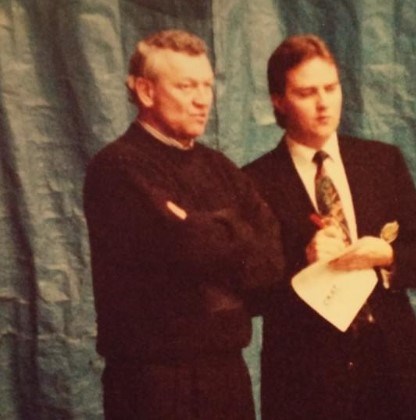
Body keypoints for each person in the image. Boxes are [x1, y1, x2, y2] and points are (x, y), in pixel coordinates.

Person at [83, 29, 282, 420]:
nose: (202, 99)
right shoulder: (117, 168)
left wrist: (209, 230)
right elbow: (189, 248)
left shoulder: (220, 168)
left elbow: (271, 262)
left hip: (227, 378)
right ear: (145, 91)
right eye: (186, 85)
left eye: (207, 85)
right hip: (152, 385)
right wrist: (234, 233)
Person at [243, 34, 416, 420]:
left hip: (390, 372)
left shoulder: (382, 162)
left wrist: (386, 256)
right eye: (306, 92)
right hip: (306, 383)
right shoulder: (253, 182)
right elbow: (251, 295)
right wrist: (304, 262)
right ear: (278, 100)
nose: (323, 103)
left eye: (330, 88)